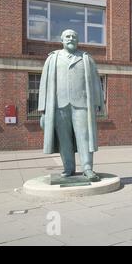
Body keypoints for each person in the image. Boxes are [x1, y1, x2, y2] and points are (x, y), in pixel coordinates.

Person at [38, 29, 104, 182]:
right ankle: (68, 167)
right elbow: (44, 84)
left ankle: (87, 168)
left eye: (74, 36)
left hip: (81, 105)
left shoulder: (86, 58)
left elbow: (95, 83)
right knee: (64, 139)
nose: (71, 38)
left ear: (78, 40)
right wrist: (43, 110)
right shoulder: (53, 59)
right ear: (61, 40)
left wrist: (97, 104)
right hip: (59, 105)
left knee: (85, 138)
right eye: (67, 36)